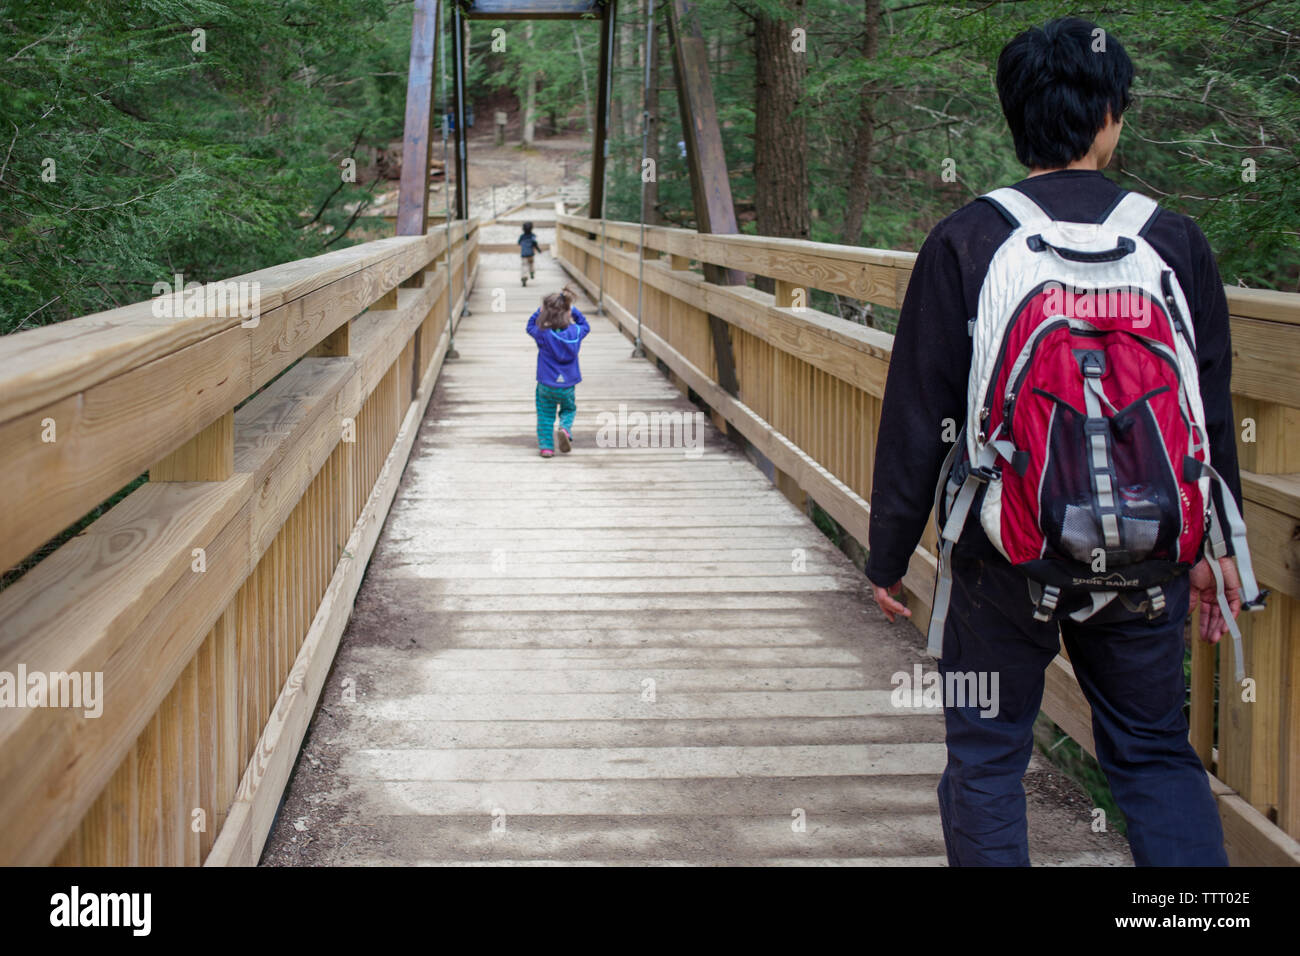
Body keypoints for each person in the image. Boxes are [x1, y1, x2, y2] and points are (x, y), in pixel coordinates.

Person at [866, 17, 1250, 866]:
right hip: (1149, 556)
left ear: (1015, 116)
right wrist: (1218, 545)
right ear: (1110, 116)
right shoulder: (1175, 239)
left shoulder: (969, 237)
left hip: (1006, 557)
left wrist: (887, 555)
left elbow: (918, 413)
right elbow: (1207, 412)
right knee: (1153, 756)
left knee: (988, 754)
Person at [527, 286, 589, 458]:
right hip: (568, 384)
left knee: (545, 415)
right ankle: (564, 429)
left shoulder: (543, 334)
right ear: (568, 313)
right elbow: (585, 325)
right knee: (568, 409)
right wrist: (573, 309)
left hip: (546, 384)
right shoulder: (576, 332)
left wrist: (540, 311)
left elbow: (529, 326)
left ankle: (547, 447)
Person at [518, 221, 544, 286]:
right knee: (531, 264)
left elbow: (519, 243)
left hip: (523, 254)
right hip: (530, 254)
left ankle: (524, 277)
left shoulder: (522, 236)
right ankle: (532, 273)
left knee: (524, 265)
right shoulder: (533, 236)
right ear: (532, 228)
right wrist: (539, 250)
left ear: (523, 229)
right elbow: (535, 244)